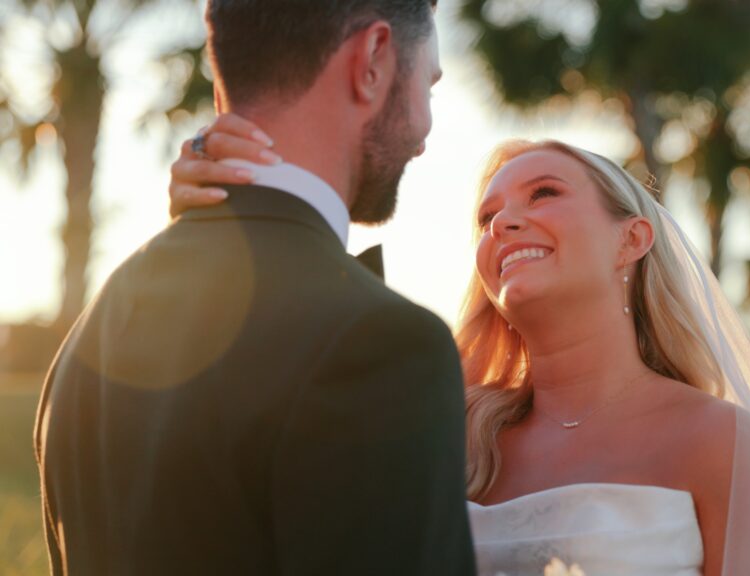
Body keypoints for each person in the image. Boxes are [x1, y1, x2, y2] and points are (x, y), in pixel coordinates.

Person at [170, 126, 750, 575]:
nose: (505, 220)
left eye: (544, 193)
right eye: (487, 216)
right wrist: (225, 228)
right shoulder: (440, 431)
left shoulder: (721, 444)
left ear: (631, 240)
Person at [34, 1, 476, 575]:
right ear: (372, 60)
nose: (423, 133)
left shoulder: (92, 330)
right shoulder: (386, 345)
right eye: (430, 85)